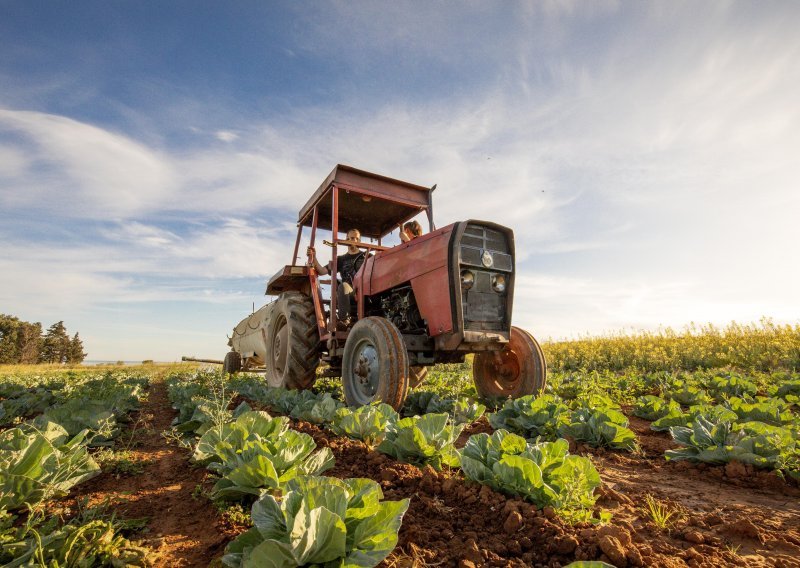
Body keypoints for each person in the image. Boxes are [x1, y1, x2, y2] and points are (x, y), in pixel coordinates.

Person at [308, 228, 366, 324]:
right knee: (343, 286)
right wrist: (313, 257)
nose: (354, 241)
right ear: (346, 240)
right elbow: (322, 271)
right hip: (351, 292)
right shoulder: (341, 259)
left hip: (366, 290)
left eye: (357, 239)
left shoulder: (367, 256)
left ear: (360, 241)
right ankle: (345, 321)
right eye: (351, 238)